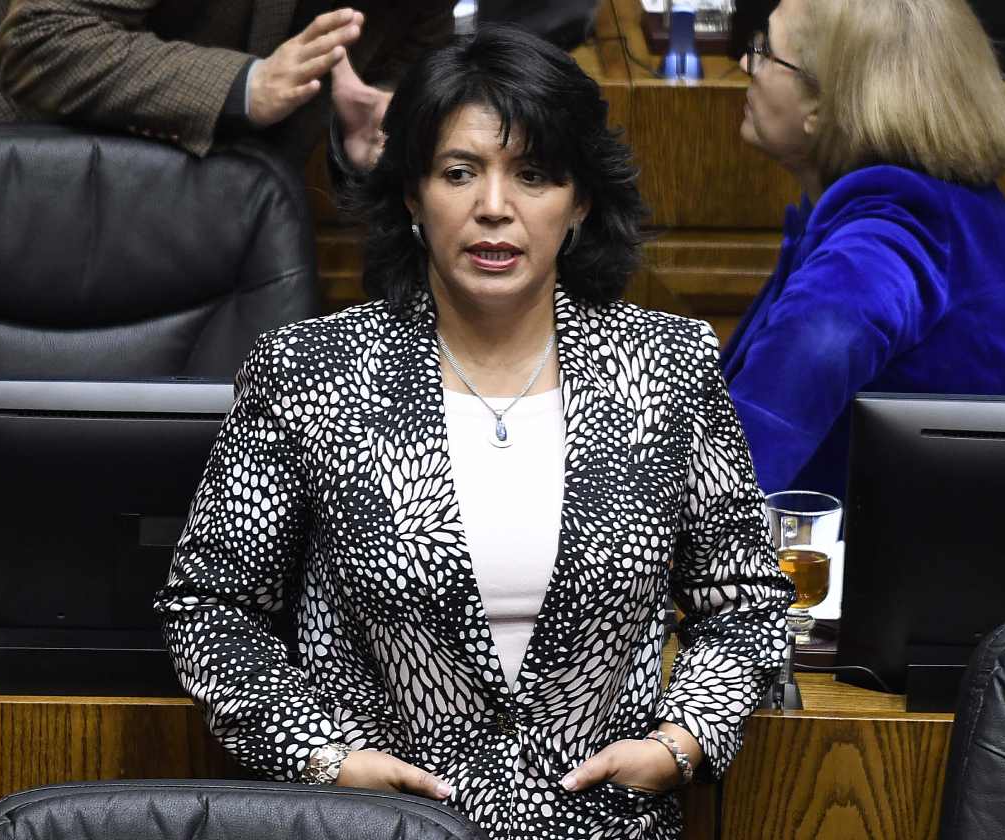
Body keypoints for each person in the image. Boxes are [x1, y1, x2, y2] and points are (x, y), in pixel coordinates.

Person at [155, 26, 794, 840]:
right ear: (412, 195)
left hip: (602, 827)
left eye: (534, 175)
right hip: (376, 827)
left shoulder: (667, 366)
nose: (495, 206)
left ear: (580, 202)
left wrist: (681, 743)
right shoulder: (309, 371)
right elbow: (210, 608)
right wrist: (323, 757)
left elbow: (744, 602)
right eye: (459, 172)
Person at [722, 0, 1005, 499]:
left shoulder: (894, 229)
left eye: (765, 50)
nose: (746, 63)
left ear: (821, 106)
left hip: (969, 544)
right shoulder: (949, 206)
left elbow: (730, 472)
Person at [0, 0, 454, 169]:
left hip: (189, 207)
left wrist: (362, 138)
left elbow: (393, 83)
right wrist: (248, 84)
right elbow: (44, 34)